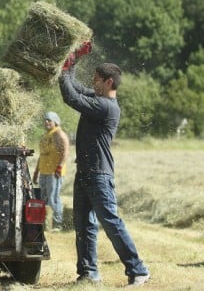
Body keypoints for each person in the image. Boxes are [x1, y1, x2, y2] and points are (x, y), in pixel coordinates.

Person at [59, 42, 151, 287]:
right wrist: (73, 59)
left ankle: (138, 269)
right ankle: (89, 272)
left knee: (110, 222)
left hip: (99, 174)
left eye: (97, 79)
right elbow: (75, 87)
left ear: (109, 82)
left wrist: (64, 68)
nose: (93, 83)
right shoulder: (98, 99)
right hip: (85, 172)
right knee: (84, 225)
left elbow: (70, 96)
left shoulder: (106, 107)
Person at [32, 111, 69, 232]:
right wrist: (36, 172)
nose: (46, 122)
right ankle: (45, 224)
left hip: (55, 172)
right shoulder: (44, 136)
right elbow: (41, 155)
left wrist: (60, 167)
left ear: (55, 122)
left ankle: (57, 224)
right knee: (44, 198)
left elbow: (66, 152)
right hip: (44, 171)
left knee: (53, 198)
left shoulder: (59, 134)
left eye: (49, 120)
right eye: (45, 120)